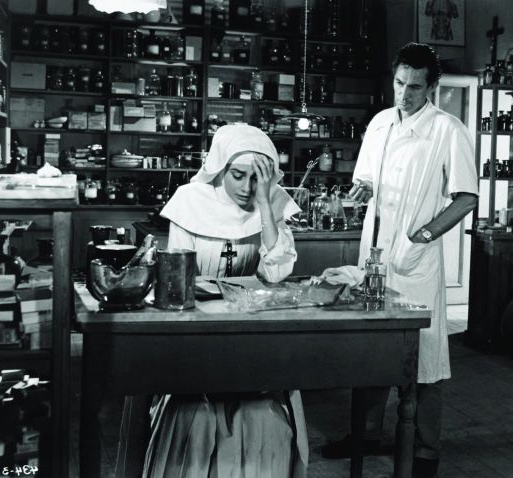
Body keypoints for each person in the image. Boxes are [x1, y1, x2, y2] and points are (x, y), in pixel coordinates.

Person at [321, 43, 478, 478]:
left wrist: (425, 234)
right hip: (375, 255)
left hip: (415, 259)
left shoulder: (448, 129)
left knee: (424, 354)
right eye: (399, 83)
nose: (404, 95)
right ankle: (366, 434)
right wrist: (361, 192)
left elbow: (465, 198)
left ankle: (426, 448)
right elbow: (367, 180)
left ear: (432, 87)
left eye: (414, 87)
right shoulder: (379, 124)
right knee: (372, 345)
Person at [120, 124, 308, 478]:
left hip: (252, 334)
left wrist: (266, 205)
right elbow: (178, 278)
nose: (246, 188)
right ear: (220, 168)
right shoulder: (192, 202)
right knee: (197, 413)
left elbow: (278, 272)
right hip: (196, 331)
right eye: (238, 175)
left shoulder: (269, 203)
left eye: (257, 179)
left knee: (259, 414)